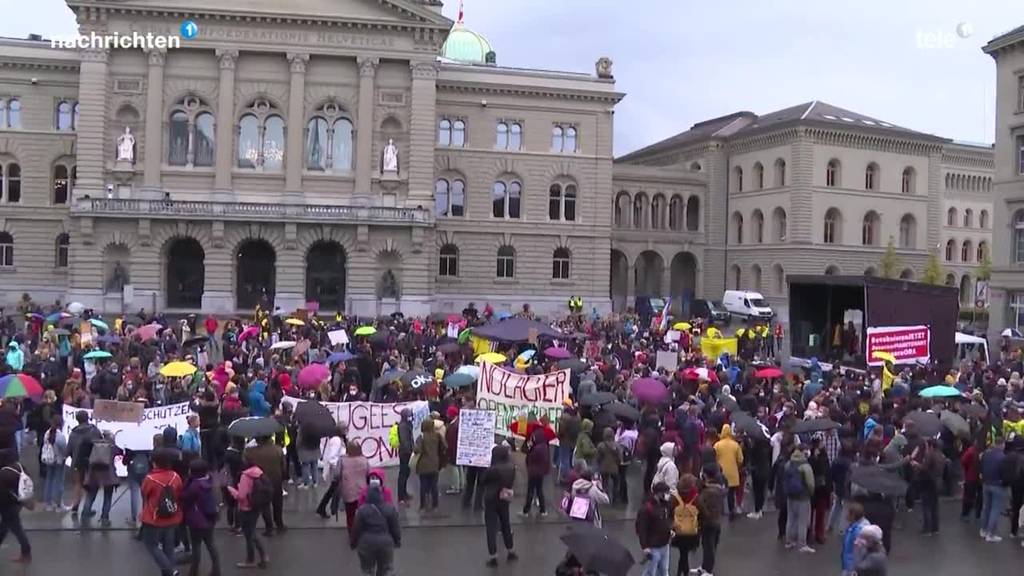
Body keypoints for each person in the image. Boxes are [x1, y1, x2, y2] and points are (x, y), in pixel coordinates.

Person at [140, 449, 184, 576]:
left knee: (151, 545)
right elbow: (179, 493)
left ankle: (171, 570)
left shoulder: (150, 479)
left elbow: (144, 494)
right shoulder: (175, 476)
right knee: (168, 548)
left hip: (153, 518)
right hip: (172, 516)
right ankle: (169, 571)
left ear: (154, 462)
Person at [351, 482, 401, 576]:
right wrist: (397, 540)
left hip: (366, 544)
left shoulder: (362, 510)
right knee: (384, 570)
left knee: (367, 570)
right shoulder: (389, 509)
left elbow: (356, 528)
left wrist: (353, 543)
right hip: (385, 544)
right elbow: (395, 528)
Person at [227, 457, 270, 569]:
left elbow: (241, 496)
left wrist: (232, 491)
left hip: (246, 508)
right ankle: (261, 556)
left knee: (250, 535)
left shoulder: (245, 476)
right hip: (256, 506)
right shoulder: (258, 472)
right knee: (251, 533)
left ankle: (254, 558)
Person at [181, 459, 221, 576]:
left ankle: (194, 571)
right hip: (210, 518)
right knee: (211, 544)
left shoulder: (194, 486)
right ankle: (216, 570)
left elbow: (184, 497)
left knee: (196, 546)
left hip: (196, 521)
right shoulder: (209, 481)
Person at [482, 444, 517, 567]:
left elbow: (483, 481)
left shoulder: (493, 469)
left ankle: (493, 555)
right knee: (505, 523)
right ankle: (511, 550)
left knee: (491, 527)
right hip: (504, 497)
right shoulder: (511, 467)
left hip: (491, 498)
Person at [243, 435, 286, 536]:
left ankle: (269, 527)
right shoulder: (278, 450)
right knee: (277, 503)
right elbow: (284, 467)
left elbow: (246, 466)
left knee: (265, 505)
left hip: (260, 481)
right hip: (276, 479)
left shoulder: (250, 452)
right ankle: (279, 523)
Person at [66, 409, 101, 516]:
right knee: (91, 485)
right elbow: (100, 444)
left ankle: (75, 504)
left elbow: (68, 450)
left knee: (78, 484)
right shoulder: (94, 430)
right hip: (92, 462)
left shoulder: (73, 433)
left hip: (76, 461)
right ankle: (87, 507)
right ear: (87, 418)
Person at [636, 481, 674, 576]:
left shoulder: (665, 505)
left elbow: (667, 520)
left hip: (665, 544)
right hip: (653, 546)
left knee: (664, 571)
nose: (668, 495)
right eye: (666, 493)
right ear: (659, 493)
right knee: (650, 572)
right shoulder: (646, 509)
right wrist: (645, 547)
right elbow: (642, 529)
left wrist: (670, 530)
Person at [82, 430, 118, 527]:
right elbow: (120, 452)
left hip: (93, 474)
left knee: (90, 495)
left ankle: (85, 515)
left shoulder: (93, 445)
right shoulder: (112, 446)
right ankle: (104, 518)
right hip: (108, 475)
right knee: (107, 497)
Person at [0, 448, 31, 563]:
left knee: (17, 530)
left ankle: (26, 552)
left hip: (7, 506)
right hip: (19, 502)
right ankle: (26, 553)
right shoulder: (20, 467)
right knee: (4, 528)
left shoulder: (4, 473)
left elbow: (2, 493)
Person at [784, 443, 816, 553]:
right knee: (802, 521)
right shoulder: (805, 466)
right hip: (803, 496)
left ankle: (789, 541)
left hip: (790, 495)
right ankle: (802, 544)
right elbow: (810, 483)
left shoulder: (789, 463)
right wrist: (810, 493)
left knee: (791, 519)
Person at [697, 464, 725, 576]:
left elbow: (702, 505)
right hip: (714, 521)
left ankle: (708, 570)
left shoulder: (710, 491)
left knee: (709, 546)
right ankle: (704, 567)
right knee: (706, 545)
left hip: (709, 522)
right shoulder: (716, 488)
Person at [980, 435, 1009, 542]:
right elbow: (1004, 473)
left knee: (986, 507)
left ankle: (983, 530)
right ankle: (990, 534)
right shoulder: (1003, 457)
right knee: (995, 510)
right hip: (997, 485)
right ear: (1002, 444)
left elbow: (981, 466)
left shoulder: (986, 454)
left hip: (986, 483)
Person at [340, 441, 370, 544]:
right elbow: (369, 473)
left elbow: (336, 474)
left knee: (350, 514)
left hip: (349, 491)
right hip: (362, 491)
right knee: (363, 513)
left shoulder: (343, 461)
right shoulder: (364, 460)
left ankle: (352, 535)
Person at [413, 418, 445, 513]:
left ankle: (423, 506)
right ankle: (435, 505)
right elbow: (444, 446)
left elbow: (416, 450)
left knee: (423, 486)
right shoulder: (437, 435)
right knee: (434, 485)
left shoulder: (421, 437)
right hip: (435, 463)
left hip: (423, 464)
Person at [316, 425, 347, 519]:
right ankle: (326, 508)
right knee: (334, 490)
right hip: (337, 469)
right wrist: (337, 467)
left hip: (338, 468)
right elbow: (332, 457)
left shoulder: (339, 440)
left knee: (332, 490)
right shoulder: (337, 441)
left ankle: (323, 508)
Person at [713, 424, 743, 518]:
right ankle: (731, 510)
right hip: (733, 473)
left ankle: (721, 511)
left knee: (720, 492)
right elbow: (740, 459)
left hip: (721, 473)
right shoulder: (735, 445)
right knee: (731, 493)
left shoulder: (717, 445)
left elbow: (714, 457)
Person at [522, 421, 552, 516]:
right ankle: (543, 510)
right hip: (541, 471)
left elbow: (527, 452)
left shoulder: (535, 445)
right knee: (539, 490)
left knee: (530, 490)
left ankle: (526, 511)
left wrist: (528, 445)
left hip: (533, 470)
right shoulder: (544, 444)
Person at [40, 415, 67, 511]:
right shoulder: (60, 436)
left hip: (48, 459)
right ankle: (58, 504)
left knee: (49, 480)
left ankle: (48, 503)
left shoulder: (47, 433)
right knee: (59, 481)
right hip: (58, 460)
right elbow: (64, 448)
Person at [596, 427, 623, 506]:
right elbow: (620, 458)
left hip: (604, 468)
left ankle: (606, 498)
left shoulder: (601, 445)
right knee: (616, 484)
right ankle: (615, 499)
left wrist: (599, 464)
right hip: (614, 468)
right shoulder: (617, 446)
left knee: (605, 484)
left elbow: (598, 458)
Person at [841, 502, 869, 576]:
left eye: (848, 513)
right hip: (849, 564)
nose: (846, 516)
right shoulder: (854, 527)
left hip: (852, 566)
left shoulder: (858, 531)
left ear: (853, 515)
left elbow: (860, 551)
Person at [396, 408, 414, 506]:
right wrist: (409, 450)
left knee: (406, 473)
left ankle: (404, 493)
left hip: (406, 452)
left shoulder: (406, 424)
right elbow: (404, 440)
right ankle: (401, 497)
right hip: (405, 453)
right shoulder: (403, 426)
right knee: (403, 474)